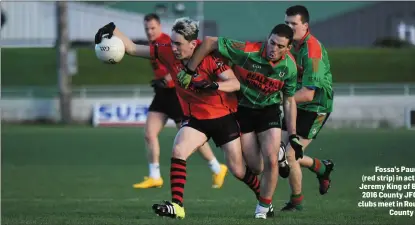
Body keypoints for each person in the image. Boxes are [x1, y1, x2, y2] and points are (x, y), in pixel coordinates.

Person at [94, 17, 267, 219]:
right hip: (195, 118)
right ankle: (177, 206)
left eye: (179, 43)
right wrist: (112, 29)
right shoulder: (167, 51)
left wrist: (213, 86)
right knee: (178, 149)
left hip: (223, 117)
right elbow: (132, 48)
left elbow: (234, 83)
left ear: (193, 44)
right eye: (173, 42)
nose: (174, 47)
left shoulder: (211, 57)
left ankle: (264, 199)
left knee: (238, 170)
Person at [182, 24, 304, 219]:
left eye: (281, 46)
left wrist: (293, 135)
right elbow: (209, 42)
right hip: (244, 110)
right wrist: (189, 71)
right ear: (267, 38)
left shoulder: (289, 68)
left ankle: (262, 209)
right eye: (272, 43)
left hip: (269, 111)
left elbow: (288, 101)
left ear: (288, 48)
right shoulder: (247, 51)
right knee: (256, 168)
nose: (274, 49)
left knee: (271, 159)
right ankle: (278, 152)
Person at [130, 13, 228, 190]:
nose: (150, 32)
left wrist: (166, 80)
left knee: (190, 138)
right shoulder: (154, 44)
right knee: (149, 134)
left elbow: (177, 66)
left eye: (152, 28)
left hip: (176, 95)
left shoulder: (169, 41)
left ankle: (216, 167)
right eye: (146, 29)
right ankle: (154, 176)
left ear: (159, 26)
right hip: (162, 95)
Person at [277, 5, 335, 212]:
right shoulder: (287, 45)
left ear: (305, 26)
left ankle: (297, 202)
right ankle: (321, 167)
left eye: (294, 24)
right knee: (279, 153)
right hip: (296, 103)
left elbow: (309, 94)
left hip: (316, 107)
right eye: (287, 23)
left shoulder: (312, 50)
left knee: (289, 156)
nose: (289, 27)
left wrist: (275, 98)